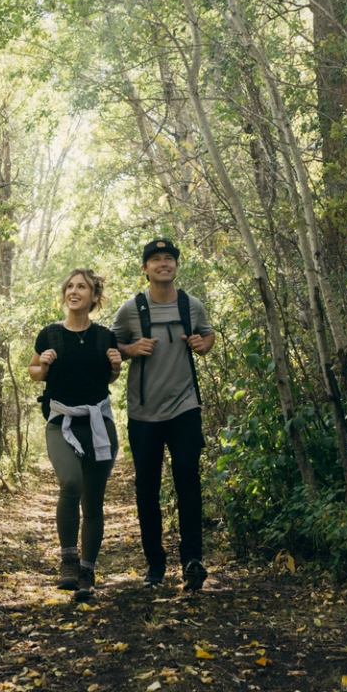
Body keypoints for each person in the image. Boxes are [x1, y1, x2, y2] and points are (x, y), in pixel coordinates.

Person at [113, 237, 216, 592]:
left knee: (188, 479)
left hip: (185, 407)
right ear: (145, 268)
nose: (163, 264)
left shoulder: (191, 305)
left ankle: (192, 560)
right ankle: (155, 565)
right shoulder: (131, 309)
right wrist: (130, 348)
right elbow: (110, 349)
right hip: (144, 414)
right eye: (156, 259)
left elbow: (207, 335)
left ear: (175, 265)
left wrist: (206, 343)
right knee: (147, 488)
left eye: (169, 258)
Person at [28, 268, 123, 600]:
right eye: (70, 286)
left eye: (82, 287)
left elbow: (108, 379)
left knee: (93, 500)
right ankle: (68, 560)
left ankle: (87, 571)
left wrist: (115, 366)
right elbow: (34, 372)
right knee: (71, 483)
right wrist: (44, 364)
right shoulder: (50, 335)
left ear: (94, 297)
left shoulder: (104, 336)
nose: (74, 291)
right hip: (60, 422)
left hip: (98, 423)